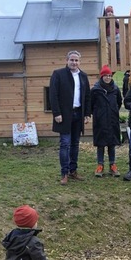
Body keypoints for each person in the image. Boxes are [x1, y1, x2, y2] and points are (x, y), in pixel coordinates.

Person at [49, 50, 91, 185]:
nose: (74, 62)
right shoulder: (58, 74)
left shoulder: (83, 76)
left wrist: (87, 114)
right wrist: (56, 113)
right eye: (72, 60)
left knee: (75, 144)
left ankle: (73, 171)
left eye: (76, 60)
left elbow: (87, 96)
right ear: (67, 61)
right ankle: (64, 173)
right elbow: (53, 95)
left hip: (78, 114)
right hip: (64, 115)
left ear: (80, 62)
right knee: (65, 143)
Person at [90, 65, 123, 177]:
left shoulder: (115, 89)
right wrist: (98, 114)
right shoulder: (95, 90)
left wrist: (113, 111)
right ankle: (100, 165)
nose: (108, 77)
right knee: (100, 144)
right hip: (100, 121)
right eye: (106, 75)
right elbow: (91, 104)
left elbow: (119, 102)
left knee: (111, 144)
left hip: (112, 120)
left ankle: (112, 165)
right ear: (102, 76)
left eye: (109, 75)